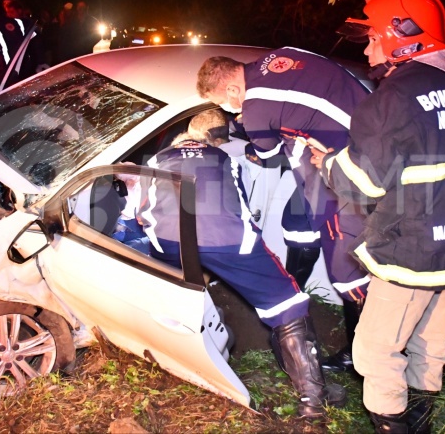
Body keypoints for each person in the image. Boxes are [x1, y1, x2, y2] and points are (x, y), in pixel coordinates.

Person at [313, 0, 445, 433]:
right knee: (430, 346)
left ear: (403, 36)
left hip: (412, 254)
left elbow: (362, 182)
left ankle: (392, 424)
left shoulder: (392, 99)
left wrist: (327, 164)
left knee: (373, 352)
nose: (369, 46)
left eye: (374, 36)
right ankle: (422, 423)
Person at [138, 109, 344, 418]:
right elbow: (241, 207)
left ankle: (173, 357)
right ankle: (313, 401)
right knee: (287, 302)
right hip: (229, 239)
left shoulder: (156, 160)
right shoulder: (227, 159)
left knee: (167, 283)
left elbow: (142, 213)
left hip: (169, 242)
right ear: (214, 140)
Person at [196, 46, 371, 374]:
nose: (227, 108)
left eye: (223, 101)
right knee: (298, 225)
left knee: (346, 272)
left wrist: (248, 135)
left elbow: (267, 154)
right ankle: (293, 292)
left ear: (233, 88)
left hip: (346, 175)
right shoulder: (282, 56)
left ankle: (363, 356)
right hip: (349, 144)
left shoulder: (257, 106)